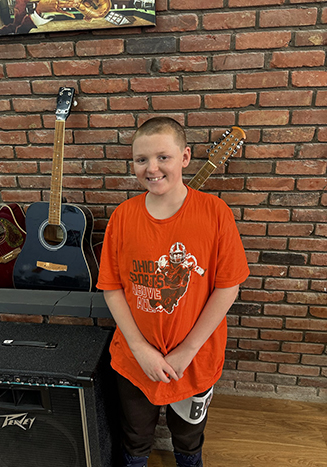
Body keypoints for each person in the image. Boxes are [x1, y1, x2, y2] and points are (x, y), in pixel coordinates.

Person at [96, 117, 250, 467]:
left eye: (163, 157)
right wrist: (139, 348)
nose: (152, 168)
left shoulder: (215, 213)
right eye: (141, 160)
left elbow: (228, 286)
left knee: (188, 435)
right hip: (134, 359)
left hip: (195, 359)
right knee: (134, 435)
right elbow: (112, 287)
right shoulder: (122, 217)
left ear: (185, 157)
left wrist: (186, 351)